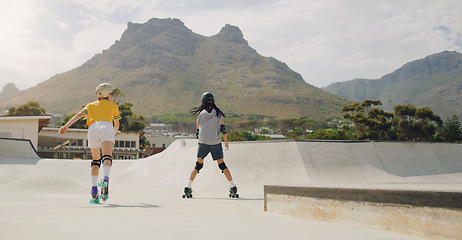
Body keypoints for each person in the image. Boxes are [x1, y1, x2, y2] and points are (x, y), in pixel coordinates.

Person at [58, 83, 120, 204]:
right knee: (107, 156)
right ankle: (106, 179)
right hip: (107, 127)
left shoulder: (90, 105)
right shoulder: (113, 105)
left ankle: (93, 190)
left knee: (96, 160)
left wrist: (65, 126)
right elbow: (116, 124)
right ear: (110, 95)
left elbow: (79, 115)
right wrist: (113, 134)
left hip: (93, 128)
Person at [184, 92, 238, 198]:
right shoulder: (218, 114)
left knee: (198, 165)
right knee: (222, 165)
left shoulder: (200, 114)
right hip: (215, 143)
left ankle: (188, 187)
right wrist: (226, 142)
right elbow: (223, 129)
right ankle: (233, 186)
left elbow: (197, 131)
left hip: (203, 142)